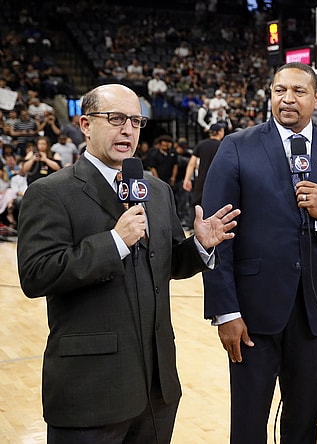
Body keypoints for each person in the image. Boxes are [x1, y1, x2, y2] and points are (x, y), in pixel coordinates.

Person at [16, 83, 240, 443]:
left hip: (156, 388)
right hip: (90, 390)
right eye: (116, 119)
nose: (128, 130)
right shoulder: (51, 192)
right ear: (85, 124)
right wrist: (115, 241)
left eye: (136, 121)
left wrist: (199, 245)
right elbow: (35, 274)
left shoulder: (156, 190)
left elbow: (167, 264)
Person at [201, 62, 317, 444]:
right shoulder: (236, 147)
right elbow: (215, 236)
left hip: (313, 317)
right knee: (248, 428)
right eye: (279, 90)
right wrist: (225, 311)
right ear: (270, 96)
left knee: (303, 427)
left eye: (298, 91)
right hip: (250, 318)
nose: (287, 99)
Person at [183, 123, 224, 208]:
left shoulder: (201, 144)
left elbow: (192, 163)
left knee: (198, 208)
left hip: (201, 181)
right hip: (217, 181)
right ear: (220, 132)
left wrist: (187, 179)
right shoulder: (223, 145)